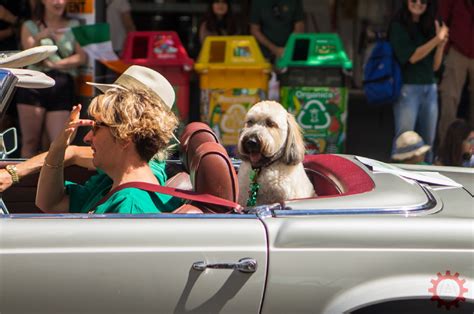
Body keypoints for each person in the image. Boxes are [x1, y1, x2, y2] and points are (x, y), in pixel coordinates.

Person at [36, 84, 180, 214]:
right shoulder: (113, 186)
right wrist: (58, 146)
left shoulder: (129, 206)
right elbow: (52, 203)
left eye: (96, 127)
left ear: (124, 137)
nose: (87, 138)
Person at [15, 0, 87, 158]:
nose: (58, 2)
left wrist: (56, 65)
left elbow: (82, 57)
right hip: (33, 84)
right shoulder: (30, 26)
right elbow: (27, 57)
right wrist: (40, 37)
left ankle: (51, 182)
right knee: (31, 142)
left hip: (61, 83)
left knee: (58, 143)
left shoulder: (74, 25)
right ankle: (24, 181)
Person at [389, 0, 448, 163]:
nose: (418, 4)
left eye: (423, 1)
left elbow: (435, 67)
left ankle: (428, 181)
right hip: (408, 88)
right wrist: (437, 40)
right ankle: (398, 181)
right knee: (405, 141)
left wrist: (441, 45)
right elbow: (412, 57)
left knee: (428, 141)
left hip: (430, 88)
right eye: (413, 0)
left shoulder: (429, 25)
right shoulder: (398, 25)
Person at [436, 0, 474, 145]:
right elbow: (442, 19)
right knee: (449, 100)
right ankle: (445, 152)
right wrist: (447, 48)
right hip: (457, 50)